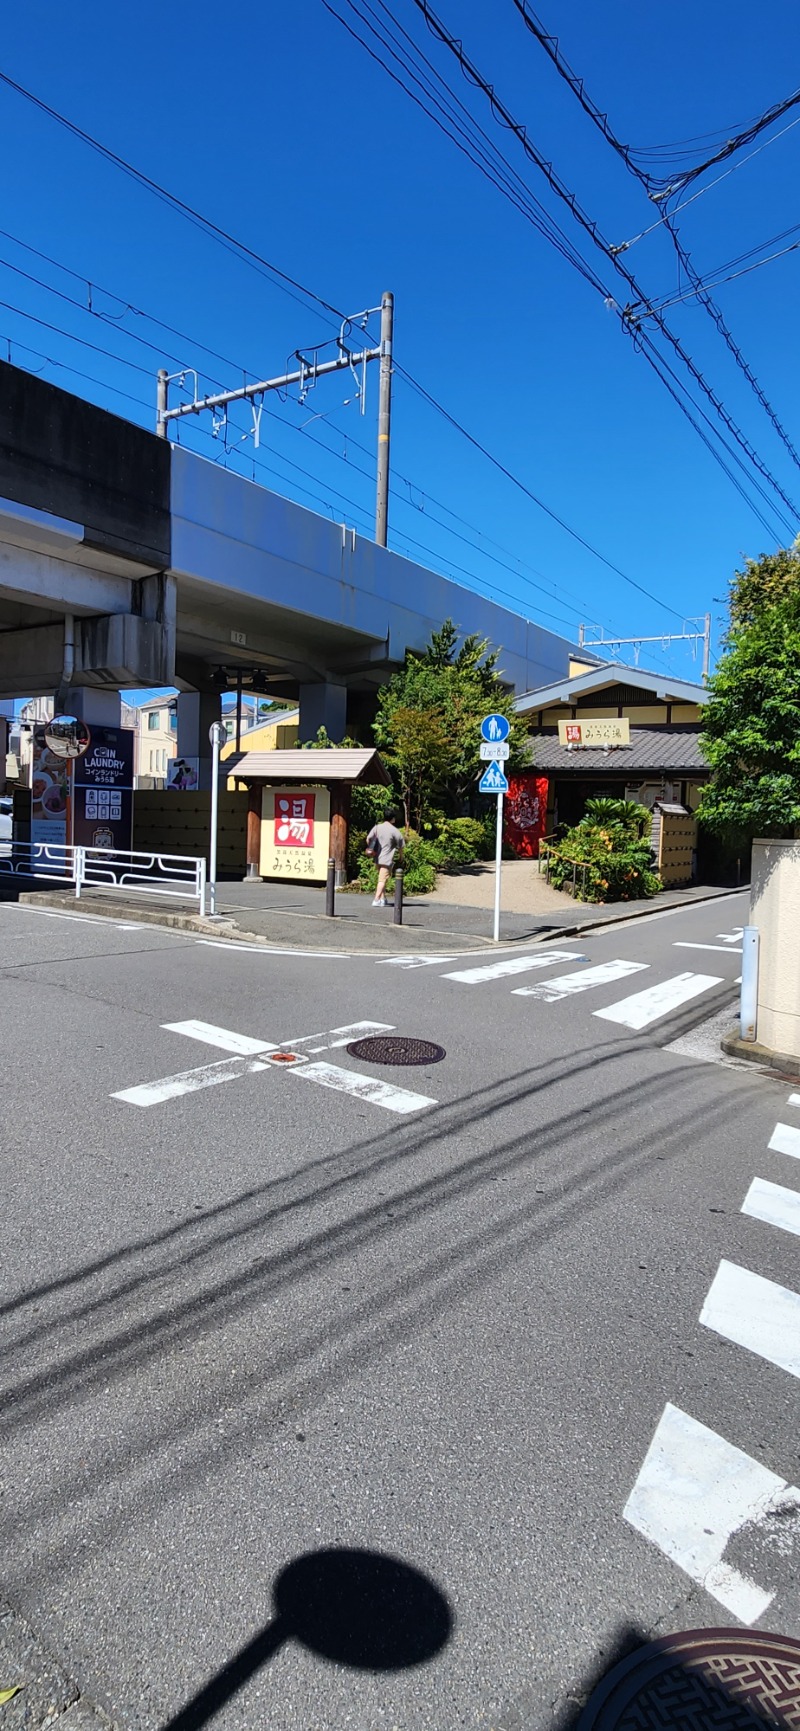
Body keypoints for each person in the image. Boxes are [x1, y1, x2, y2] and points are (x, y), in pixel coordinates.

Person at [366, 808, 405, 908]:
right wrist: (401, 857)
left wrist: (373, 849)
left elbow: (368, 839)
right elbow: (401, 846)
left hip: (377, 857)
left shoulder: (377, 827)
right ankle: (376, 899)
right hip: (387, 859)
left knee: (382, 878)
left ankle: (383, 899)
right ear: (393, 819)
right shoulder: (395, 831)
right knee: (382, 880)